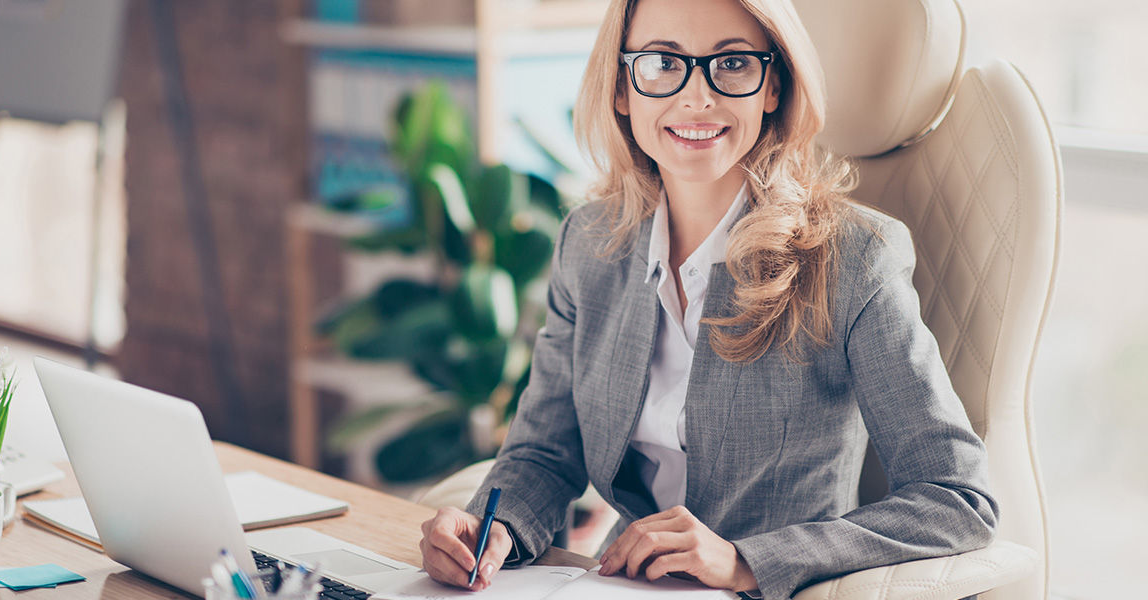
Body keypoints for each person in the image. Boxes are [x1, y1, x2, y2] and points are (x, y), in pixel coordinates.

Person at [417, 0, 999, 598]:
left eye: (733, 63)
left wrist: (746, 560)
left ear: (772, 84)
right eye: (663, 62)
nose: (697, 97)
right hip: (625, 587)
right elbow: (543, 453)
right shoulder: (588, 246)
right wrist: (494, 527)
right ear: (622, 87)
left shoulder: (854, 258)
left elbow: (957, 498)